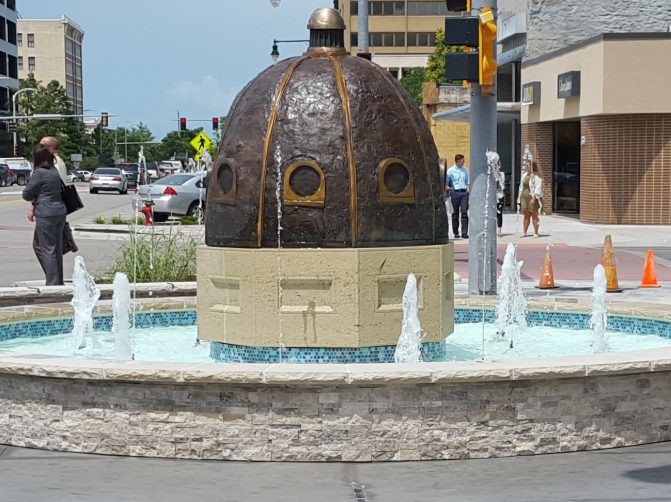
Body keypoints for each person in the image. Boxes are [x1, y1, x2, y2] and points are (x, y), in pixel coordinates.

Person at [22, 144, 67, 285]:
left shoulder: (39, 173)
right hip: (60, 211)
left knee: (47, 249)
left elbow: (26, 194)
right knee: (56, 248)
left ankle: (53, 284)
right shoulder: (54, 172)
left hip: (46, 214)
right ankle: (58, 282)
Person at [445, 154, 469, 239]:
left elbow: (467, 182)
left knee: (464, 212)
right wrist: (450, 189)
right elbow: (446, 183)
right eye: (462, 161)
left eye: (463, 161)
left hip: (463, 193)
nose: (463, 162)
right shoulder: (450, 171)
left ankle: (464, 233)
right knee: (455, 214)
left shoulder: (465, 170)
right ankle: (456, 232)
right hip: (454, 193)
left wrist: (467, 191)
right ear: (457, 161)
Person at [517, 160, 543, 238]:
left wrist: (534, 198)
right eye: (526, 166)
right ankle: (524, 232)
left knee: (534, 215)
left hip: (532, 198)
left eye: (528, 166)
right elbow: (521, 187)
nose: (526, 167)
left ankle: (536, 232)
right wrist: (519, 197)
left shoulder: (537, 177)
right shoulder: (524, 175)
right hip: (524, 197)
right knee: (526, 215)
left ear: (532, 167)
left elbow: (538, 188)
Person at [496, 171, 505, 237]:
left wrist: (498, 177)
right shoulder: (490, 173)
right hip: (491, 196)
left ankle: (499, 230)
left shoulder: (501, 174)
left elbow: (502, 186)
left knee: (499, 213)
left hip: (499, 195)